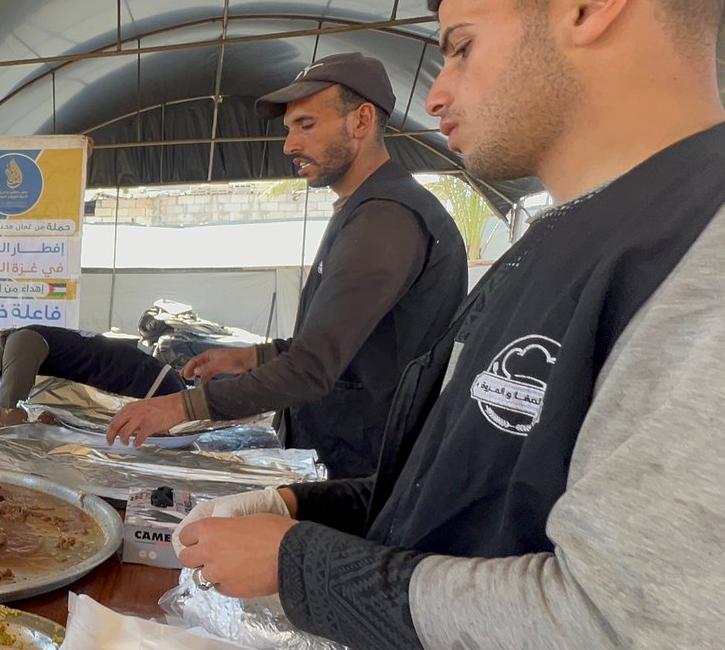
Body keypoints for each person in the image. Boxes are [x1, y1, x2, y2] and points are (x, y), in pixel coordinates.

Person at [174, 0, 725, 650]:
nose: (436, 94)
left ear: (591, 4)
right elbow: (480, 498)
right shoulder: (553, 236)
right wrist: (302, 505)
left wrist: (303, 568)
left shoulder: (712, 248)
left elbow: (627, 642)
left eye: (462, 49)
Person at [107, 53, 467, 478]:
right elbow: (349, 347)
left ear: (361, 121)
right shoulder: (367, 210)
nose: (289, 145)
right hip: (347, 457)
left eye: (307, 125)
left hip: (371, 470)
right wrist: (251, 357)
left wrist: (181, 406)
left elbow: (313, 370)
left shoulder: (384, 220)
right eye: (289, 129)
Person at [0, 323, 184, 408]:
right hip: (155, 382)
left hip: (153, 387)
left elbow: (9, 403)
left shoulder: (20, 342)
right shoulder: (24, 338)